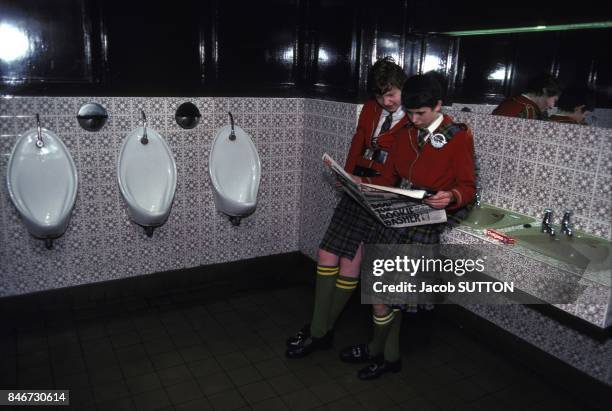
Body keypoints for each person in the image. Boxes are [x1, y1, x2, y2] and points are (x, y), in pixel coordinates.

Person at [339, 73, 477, 379]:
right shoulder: (404, 132)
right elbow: (390, 178)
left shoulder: (458, 135)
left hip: (428, 217)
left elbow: (468, 187)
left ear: (438, 105)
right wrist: (362, 182)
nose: (413, 119)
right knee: (380, 293)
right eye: (410, 113)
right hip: (400, 210)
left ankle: (385, 354)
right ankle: (381, 350)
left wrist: (452, 196)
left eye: (420, 114)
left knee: (386, 294)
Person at [285, 57, 409, 358]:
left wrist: (375, 185)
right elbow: (358, 143)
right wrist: (346, 175)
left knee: (352, 264)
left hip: (381, 196)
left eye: (391, 94)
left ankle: (319, 331)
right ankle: (320, 329)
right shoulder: (370, 108)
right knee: (328, 252)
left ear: (403, 87)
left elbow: (403, 163)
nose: (386, 101)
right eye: (380, 95)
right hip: (356, 190)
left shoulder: (414, 118)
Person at [492, 73, 562, 120]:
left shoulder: (509, 101)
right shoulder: (529, 111)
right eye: (554, 100)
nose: (551, 106)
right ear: (545, 91)